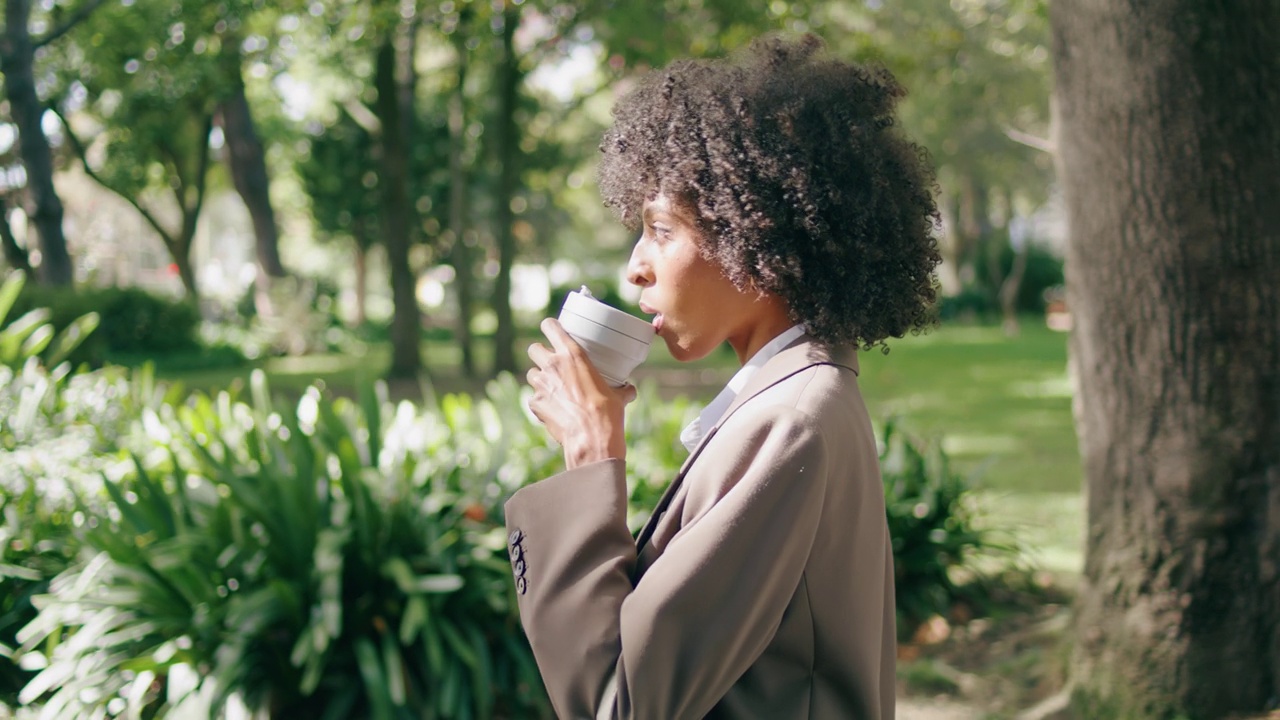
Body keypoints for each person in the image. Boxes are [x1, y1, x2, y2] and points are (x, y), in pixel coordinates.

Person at [506, 33, 941, 720]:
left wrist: (591, 455)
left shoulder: (790, 422)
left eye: (661, 231)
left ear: (757, 235)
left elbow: (620, 706)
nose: (635, 267)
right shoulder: (800, 395)